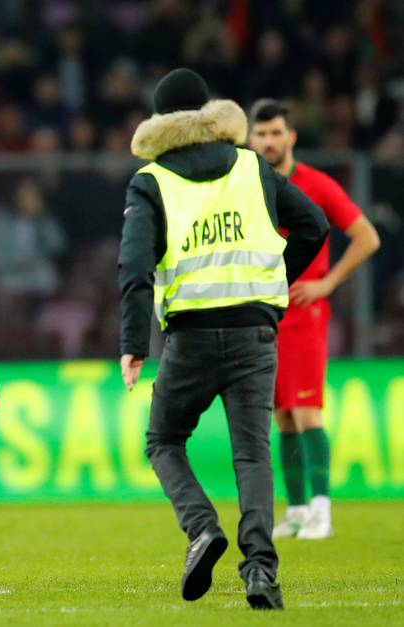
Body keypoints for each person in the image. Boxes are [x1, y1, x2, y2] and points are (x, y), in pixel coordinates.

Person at [118, 69, 329, 609]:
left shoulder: (152, 180)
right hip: (255, 331)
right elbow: (314, 225)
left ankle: (201, 529)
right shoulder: (253, 166)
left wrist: (133, 342)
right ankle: (260, 570)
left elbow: (135, 267)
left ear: (160, 121)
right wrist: (274, 282)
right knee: (253, 454)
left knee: (163, 441)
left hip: (189, 333)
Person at [248, 99, 380, 539]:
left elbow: (366, 237)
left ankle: (323, 509)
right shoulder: (248, 187)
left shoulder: (315, 185)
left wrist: (328, 283)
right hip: (266, 314)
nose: (268, 141)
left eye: (275, 133)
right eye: (261, 134)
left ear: (292, 137)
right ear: (250, 140)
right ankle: (299, 509)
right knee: (282, 416)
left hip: (305, 314)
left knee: (307, 411)